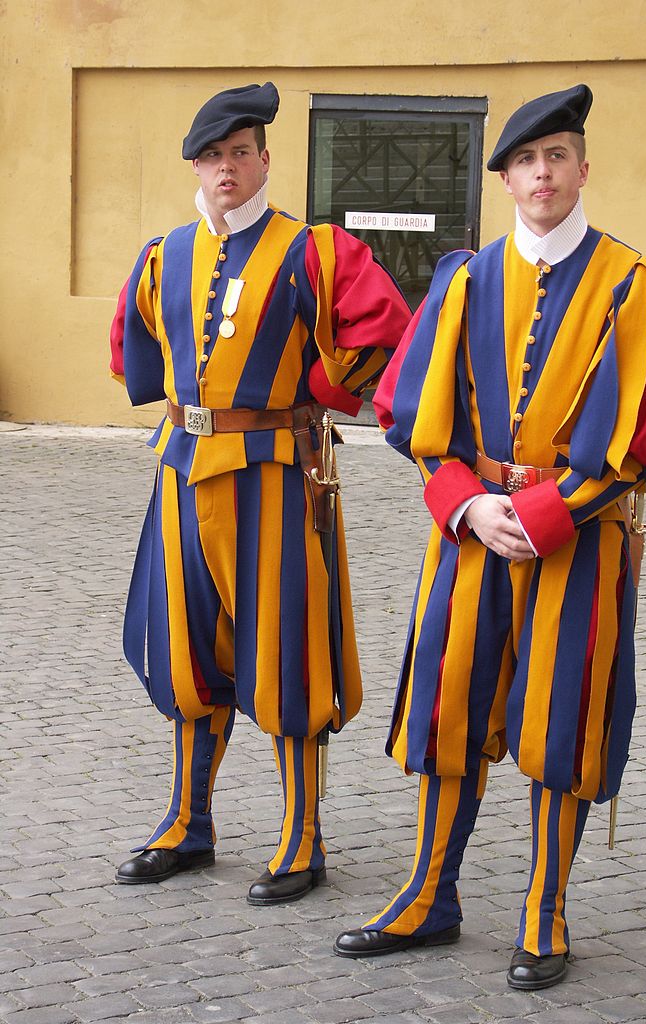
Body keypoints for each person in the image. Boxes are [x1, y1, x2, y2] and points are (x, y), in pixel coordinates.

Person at [334, 84, 646, 989]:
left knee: (558, 722)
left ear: (583, 167)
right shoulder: (464, 278)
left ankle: (545, 909)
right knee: (447, 710)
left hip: (579, 540)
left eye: (558, 157)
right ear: (504, 178)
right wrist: (465, 504)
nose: (542, 174)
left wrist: (541, 516)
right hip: (468, 535)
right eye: (525, 162)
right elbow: (414, 416)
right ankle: (429, 894)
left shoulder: (632, 283)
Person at [108, 83, 411, 902]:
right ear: (197, 169)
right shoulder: (164, 254)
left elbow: (381, 331)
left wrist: (305, 393)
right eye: (212, 157)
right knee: (185, 649)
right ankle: (188, 823)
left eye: (239, 153)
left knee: (286, 651)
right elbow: (133, 352)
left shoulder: (313, 251)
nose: (225, 169)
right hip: (180, 471)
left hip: (276, 474)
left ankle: (302, 837)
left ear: (264, 160)